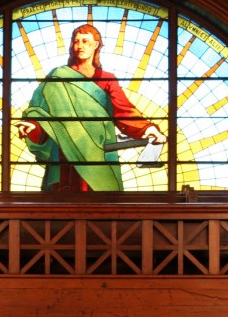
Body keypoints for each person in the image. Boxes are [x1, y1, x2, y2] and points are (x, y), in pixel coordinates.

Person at [15, 23, 167, 192]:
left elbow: (123, 111)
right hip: (66, 152)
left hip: (99, 153)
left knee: (101, 196)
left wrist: (148, 128)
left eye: (86, 41)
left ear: (96, 45)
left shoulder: (106, 79)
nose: (80, 46)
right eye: (76, 41)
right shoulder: (57, 77)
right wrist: (33, 127)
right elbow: (42, 114)